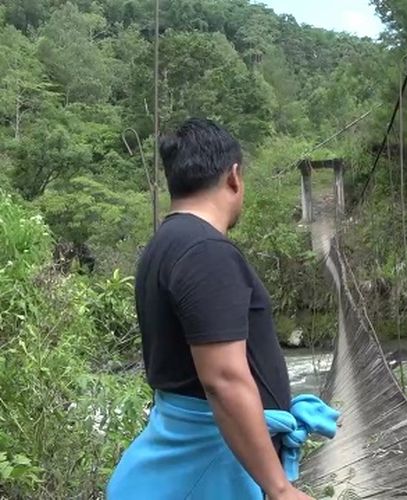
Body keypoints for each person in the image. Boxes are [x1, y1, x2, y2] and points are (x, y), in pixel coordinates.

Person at [107, 118, 333, 499]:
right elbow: (223, 380)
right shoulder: (207, 253)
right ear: (233, 177)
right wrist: (279, 488)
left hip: (194, 460)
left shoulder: (163, 245)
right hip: (208, 468)